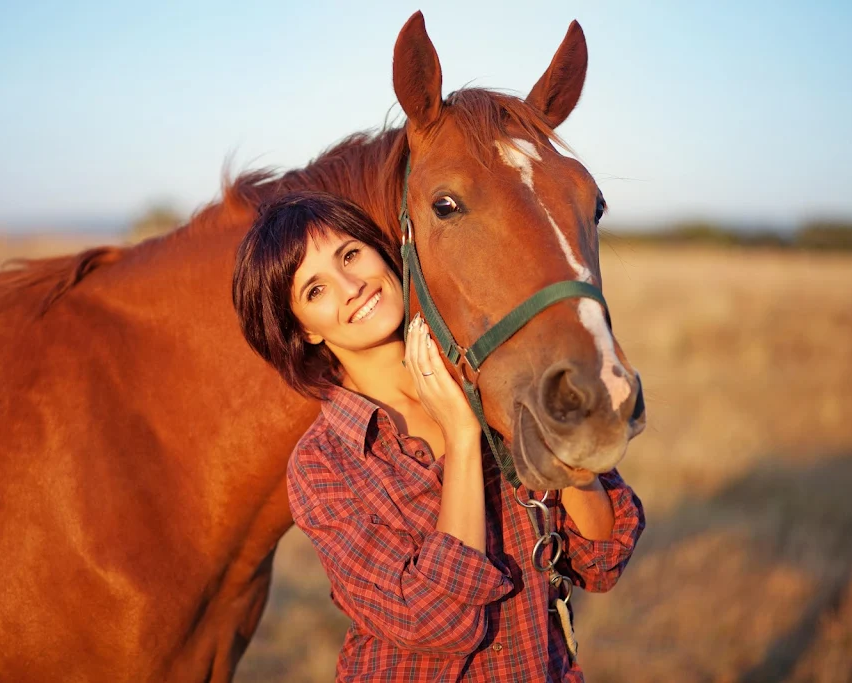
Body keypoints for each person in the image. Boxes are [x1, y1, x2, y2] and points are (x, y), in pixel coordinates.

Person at [232, 190, 644, 682]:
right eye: (315, 291)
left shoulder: (491, 379)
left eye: (350, 255)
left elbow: (602, 558)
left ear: (383, 251)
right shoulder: (322, 467)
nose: (350, 286)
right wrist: (463, 438)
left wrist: (569, 452)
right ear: (303, 331)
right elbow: (439, 621)